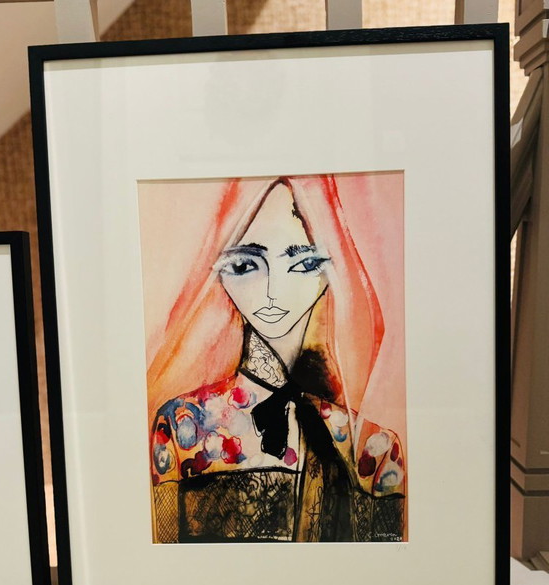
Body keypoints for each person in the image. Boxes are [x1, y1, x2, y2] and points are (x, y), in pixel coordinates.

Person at [147, 175, 405, 543]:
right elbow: (164, 566)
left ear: (331, 273)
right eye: (244, 266)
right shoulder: (180, 429)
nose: (272, 292)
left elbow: (389, 571)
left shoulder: (374, 451)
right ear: (220, 273)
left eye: (304, 263)